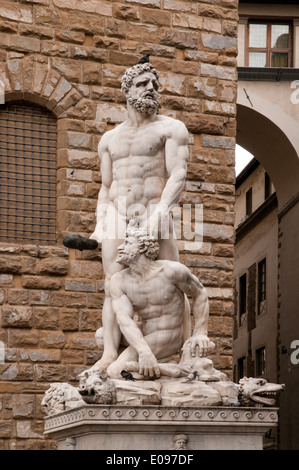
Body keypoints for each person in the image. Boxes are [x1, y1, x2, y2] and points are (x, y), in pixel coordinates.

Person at [89, 63, 190, 371]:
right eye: (143, 83)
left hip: (153, 212)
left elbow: (178, 174)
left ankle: (186, 351)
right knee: (112, 284)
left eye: (154, 84)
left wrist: (158, 216)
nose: (150, 88)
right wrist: (99, 225)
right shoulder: (108, 139)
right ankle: (109, 353)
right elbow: (106, 188)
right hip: (119, 216)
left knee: (174, 280)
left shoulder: (171, 128)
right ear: (128, 90)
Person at [106, 222, 214, 380]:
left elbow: (200, 293)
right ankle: (167, 369)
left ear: (142, 247)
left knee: (115, 371)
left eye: (128, 243)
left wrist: (200, 332)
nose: (120, 248)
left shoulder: (171, 271)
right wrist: (144, 352)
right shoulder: (119, 281)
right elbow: (124, 320)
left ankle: (153, 366)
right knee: (102, 336)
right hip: (147, 331)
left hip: (167, 335)